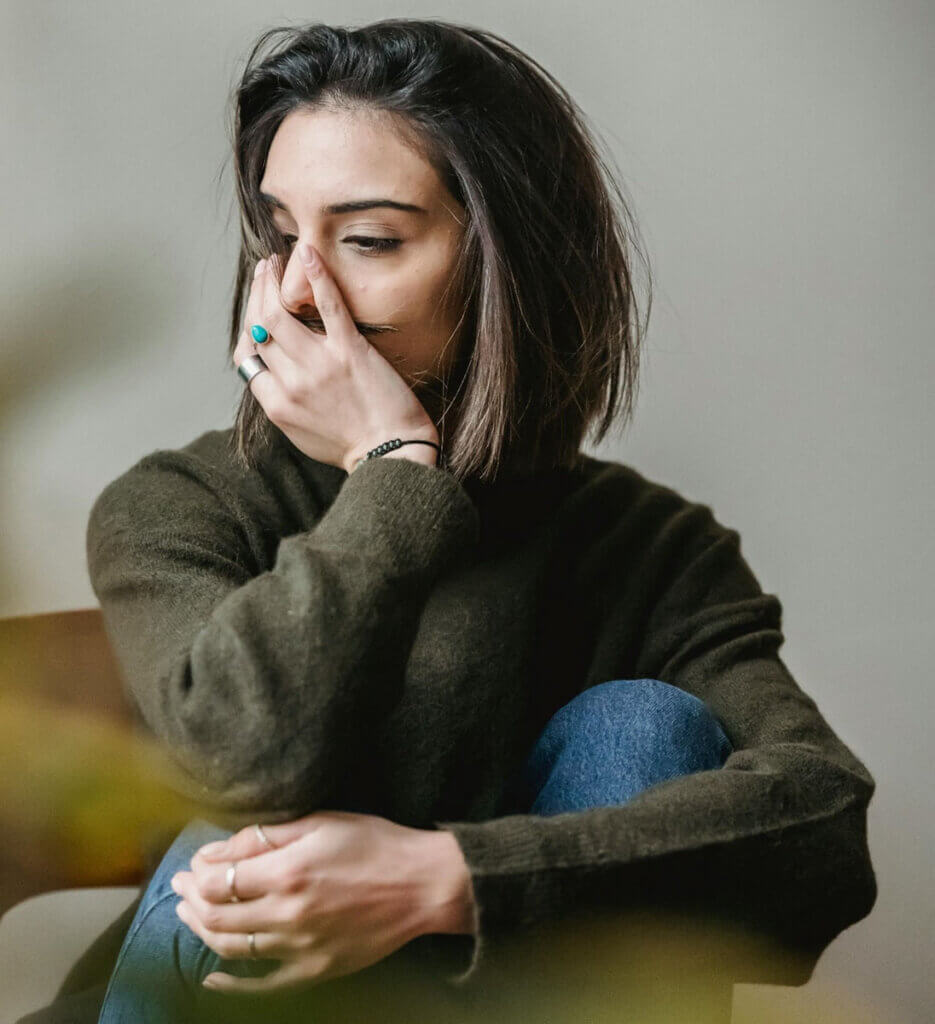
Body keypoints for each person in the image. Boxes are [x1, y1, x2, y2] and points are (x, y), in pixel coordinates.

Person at [19, 17, 877, 1024]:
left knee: (643, 726)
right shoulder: (182, 503)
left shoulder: (644, 549)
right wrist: (392, 476)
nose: (297, 290)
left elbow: (820, 824)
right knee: (239, 830)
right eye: (281, 234)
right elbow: (241, 766)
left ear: (503, 263)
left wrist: (443, 880)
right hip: (233, 999)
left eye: (368, 239)